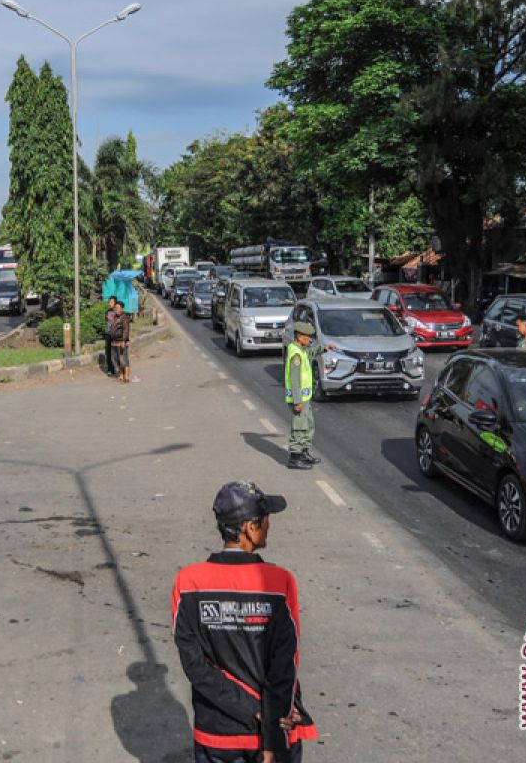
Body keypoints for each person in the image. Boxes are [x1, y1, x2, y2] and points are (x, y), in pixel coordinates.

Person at [172, 481, 317, 763]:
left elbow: (195, 666)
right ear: (250, 528)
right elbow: (285, 665)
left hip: (216, 731)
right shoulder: (279, 583)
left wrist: (249, 707)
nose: (268, 526)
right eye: (265, 520)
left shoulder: (188, 583)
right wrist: (272, 726)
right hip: (270, 733)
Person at [285, 321, 328, 470]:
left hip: (304, 398)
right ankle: (295, 457)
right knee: (299, 427)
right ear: (299, 336)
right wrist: (297, 401)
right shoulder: (295, 354)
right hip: (299, 399)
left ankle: (304, 452)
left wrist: (323, 349)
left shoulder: (301, 350)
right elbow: (295, 380)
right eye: (308, 337)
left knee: (308, 425)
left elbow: (309, 354)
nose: (310, 340)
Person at [111, 300, 131, 384]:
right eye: (115, 308)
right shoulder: (115, 317)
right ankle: (121, 375)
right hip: (114, 342)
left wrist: (124, 340)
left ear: (122, 308)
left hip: (121, 342)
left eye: (118, 308)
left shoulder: (124, 317)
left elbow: (126, 330)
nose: (116, 309)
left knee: (124, 360)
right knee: (117, 360)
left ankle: (126, 376)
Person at [104, 296, 118, 377]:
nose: (109, 303)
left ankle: (118, 368)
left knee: (116, 352)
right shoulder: (108, 311)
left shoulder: (117, 312)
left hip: (115, 334)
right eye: (109, 302)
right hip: (108, 334)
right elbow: (108, 321)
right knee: (108, 352)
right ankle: (110, 369)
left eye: (111, 302)